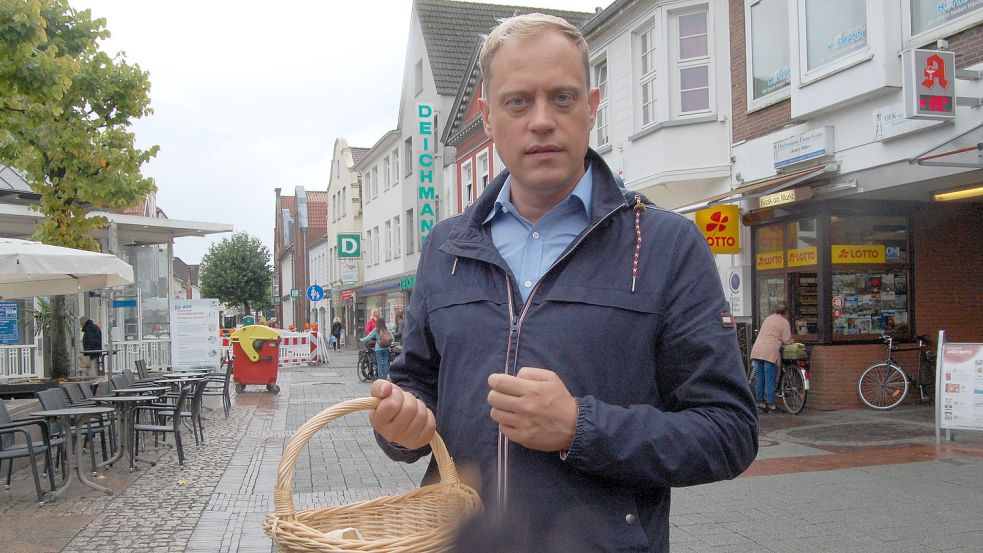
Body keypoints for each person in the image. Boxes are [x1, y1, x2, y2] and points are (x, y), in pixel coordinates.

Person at [368, 13, 757, 552]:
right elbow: (416, 387)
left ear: (592, 108)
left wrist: (582, 427)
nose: (542, 120)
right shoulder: (446, 246)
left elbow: (728, 433)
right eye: (518, 101)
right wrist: (398, 426)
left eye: (564, 98)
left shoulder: (666, 245)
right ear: (488, 116)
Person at [750, 304, 793, 414]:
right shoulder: (784, 322)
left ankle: (760, 404)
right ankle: (771, 405)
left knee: (760, 378)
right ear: (785, 312)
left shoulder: (768, 319)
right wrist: (792, 342)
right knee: (769, 379)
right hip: (770, 351)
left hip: (757, 349)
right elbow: (787, 340)